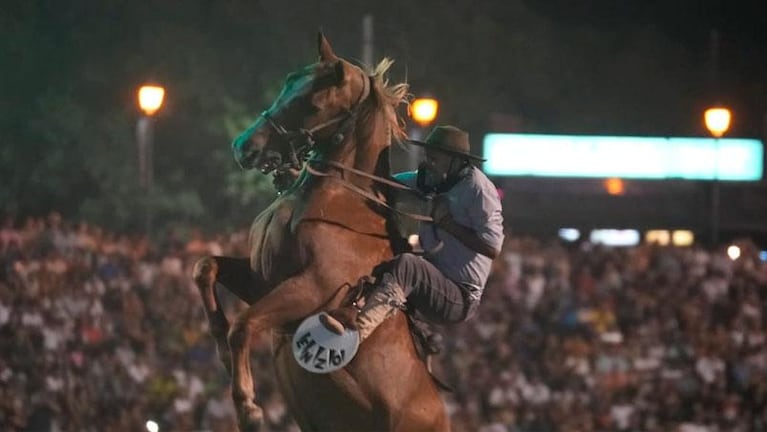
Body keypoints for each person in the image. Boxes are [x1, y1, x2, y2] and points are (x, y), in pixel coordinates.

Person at [320, 125, 505, 340]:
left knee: (408, 265)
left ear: (455, 161)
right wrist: (330, 178)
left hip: (460, 296)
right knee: (384, 255)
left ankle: (357, 334)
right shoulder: (430, 179)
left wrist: (447, 224)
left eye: (435, 158)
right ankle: (349, 310)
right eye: (428, 155)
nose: (428, 162)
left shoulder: (478, 190)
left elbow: (492, 248)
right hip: (433, 275)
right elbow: (383, 185)